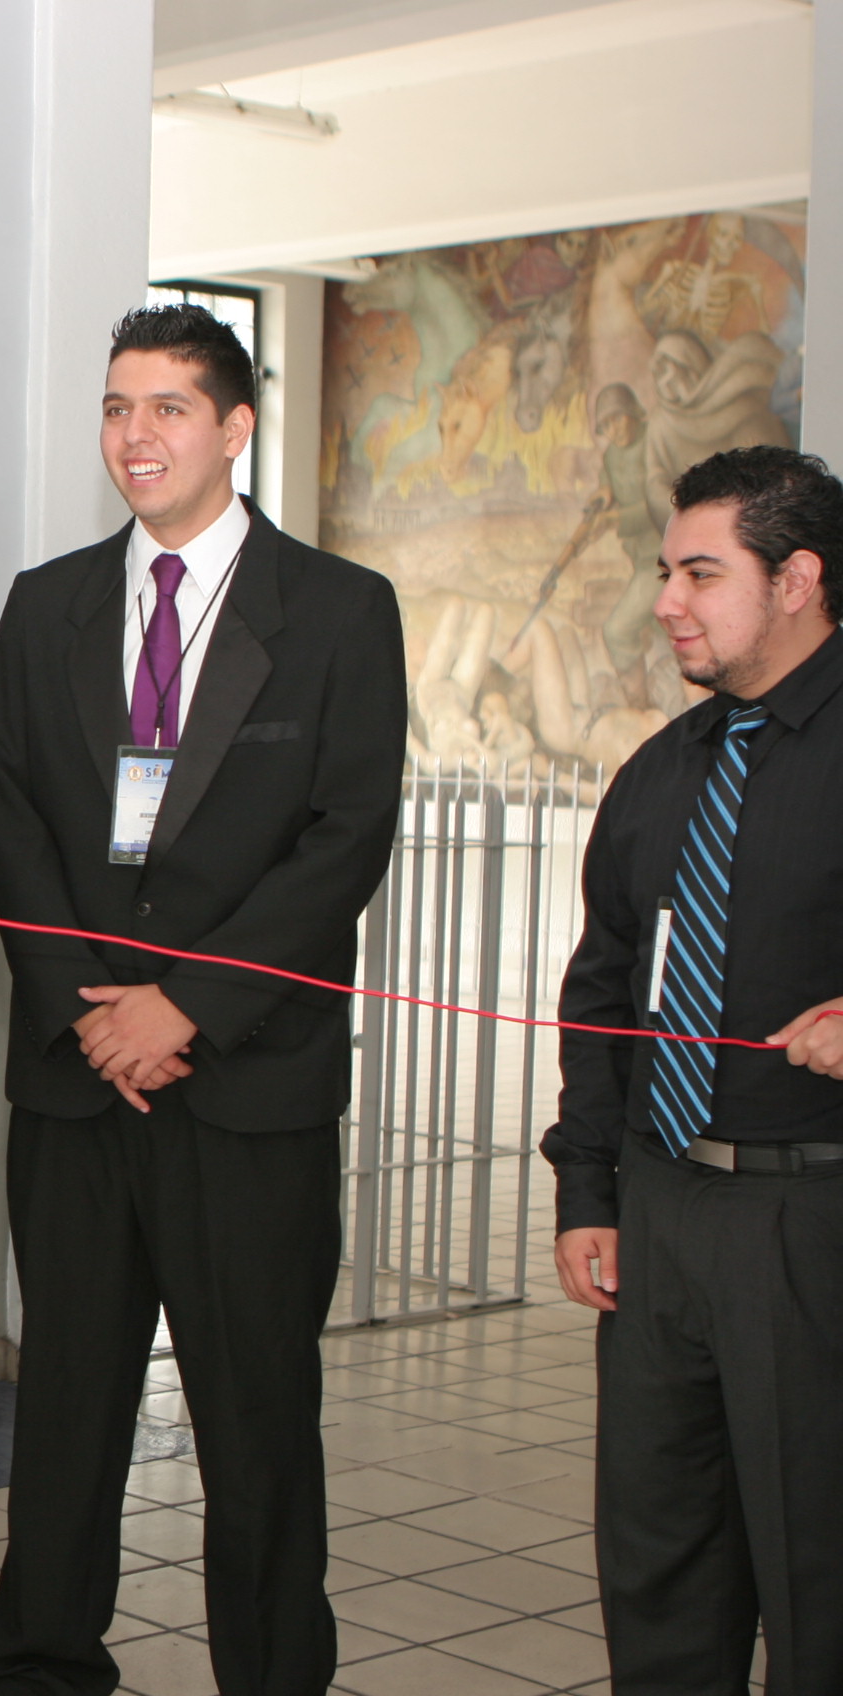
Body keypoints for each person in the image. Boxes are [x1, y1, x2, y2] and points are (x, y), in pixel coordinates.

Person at [0, 302, 405, 1696]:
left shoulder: (338, 611)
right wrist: (90, 1010)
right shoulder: (45, 605)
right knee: (67, 1400)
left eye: (166, 407)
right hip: (76, 1083)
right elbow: (12, 820)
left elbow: (343, 838)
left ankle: (272, 1671)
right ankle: (43, 1659)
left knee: (256, 1410)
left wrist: (190, 1007)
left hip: (248, 1084)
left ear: (235, 428)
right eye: (116, 407)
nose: (134, 434)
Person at [544, 445, 843, 1695]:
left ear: (798, 580)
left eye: (701, 573)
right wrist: (590, 1191)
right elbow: (604, 993)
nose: (667, 601)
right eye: (667, 571)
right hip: (664, 1214)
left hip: (812, 1216)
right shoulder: (661, 773)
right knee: (661, 1558)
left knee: (818, 1564)